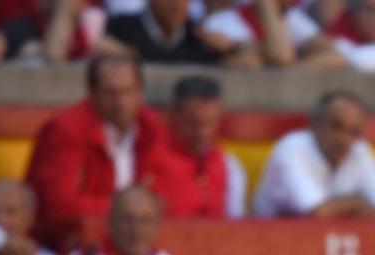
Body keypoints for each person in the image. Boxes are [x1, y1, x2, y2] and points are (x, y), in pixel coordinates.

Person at [24, 54, 178, 252]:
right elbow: (59, 206)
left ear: (140, 92)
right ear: (92, 93)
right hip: (69, 248)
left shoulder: (153, 127)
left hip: (137, 248)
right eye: (111, 94)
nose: (121, 102)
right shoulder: (65, 130)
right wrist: (132, 212)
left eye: (128, 92)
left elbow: (165, 198)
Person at [253, 90, 375, 219]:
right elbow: (317, 212)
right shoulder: (292, 147)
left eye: (354, 132)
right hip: (272, 243)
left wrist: (346, 208)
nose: (344, 139)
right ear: (314, 124)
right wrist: (359, 203)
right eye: (336, 127)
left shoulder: (359, 151)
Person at [58, 184, 201, 255]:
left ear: (157, 227)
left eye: (145, 221)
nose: (136, 230)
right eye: (127, 219)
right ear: (111, 222)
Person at [162, 75, 249, 220]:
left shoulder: (230, 166)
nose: (202, 133)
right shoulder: (150, 160)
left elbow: (236, 227)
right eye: (193, 124)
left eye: (210, 123)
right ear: (174, 116)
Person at [95, 0, 257, 65]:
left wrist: (232, 49)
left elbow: (248, 61)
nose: (176, 5)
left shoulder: (197, 34)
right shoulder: (122, 27)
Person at [202, 0, 337, 68]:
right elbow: (281, 56)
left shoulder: (293, 18)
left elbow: (334, 54)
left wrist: (292, 69)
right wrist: (266, 6)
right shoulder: (221, 21)